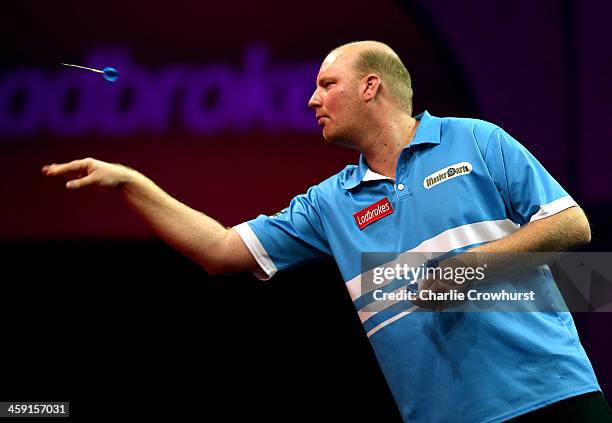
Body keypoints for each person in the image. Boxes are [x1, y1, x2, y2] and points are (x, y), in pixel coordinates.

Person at [43, 41, 611, 422]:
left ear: (370, 87)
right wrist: (131, 184)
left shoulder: (476, 140)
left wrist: (470, 266)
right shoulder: (328, 202)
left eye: (325, 83)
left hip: (553, 398)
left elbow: (573, 224)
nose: (311, 98)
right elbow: (220, 252)